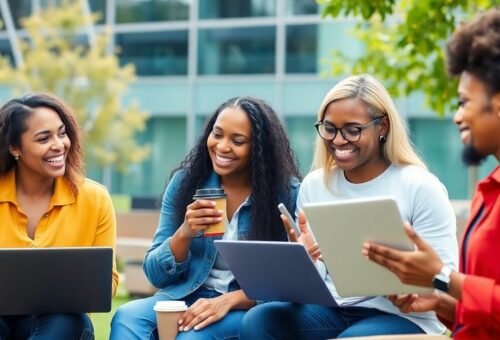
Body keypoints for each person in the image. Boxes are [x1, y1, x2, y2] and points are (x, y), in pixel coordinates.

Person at [240, 75, 458, 339]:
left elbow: (445, 276)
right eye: (329, 128)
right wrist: (307, 261)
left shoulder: (420, 186)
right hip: (333, 308)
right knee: (260, 320)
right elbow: (319, 280)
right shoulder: (315, 185)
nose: (339, 140)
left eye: (352, 130)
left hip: (402, 315)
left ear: (382, 127)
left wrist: (411, 285)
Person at [110, 97, 301, 339]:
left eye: (238, 141)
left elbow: (294, 281)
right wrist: (184, 233)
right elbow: (155, 274)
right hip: (186, 295)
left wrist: (231, 300)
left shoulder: (286, 194)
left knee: (191, 337)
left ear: (260, 149)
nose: (222, 146)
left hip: (247, 305)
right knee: (127, 317)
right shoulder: (186, 184)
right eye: (217, 134)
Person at [363, 8, 500, 340]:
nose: (457, 117)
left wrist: (442, 277)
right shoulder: (489, 189)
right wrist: (440, 302)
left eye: (464, 102)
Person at [0, 92, 119, 339]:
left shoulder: (94, 198)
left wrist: (79, 288)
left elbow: (108, 284)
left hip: (59, 321)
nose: (59, 144)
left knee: (66, 321)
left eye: (62, 133)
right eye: (44, 138)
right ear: (15, 148)